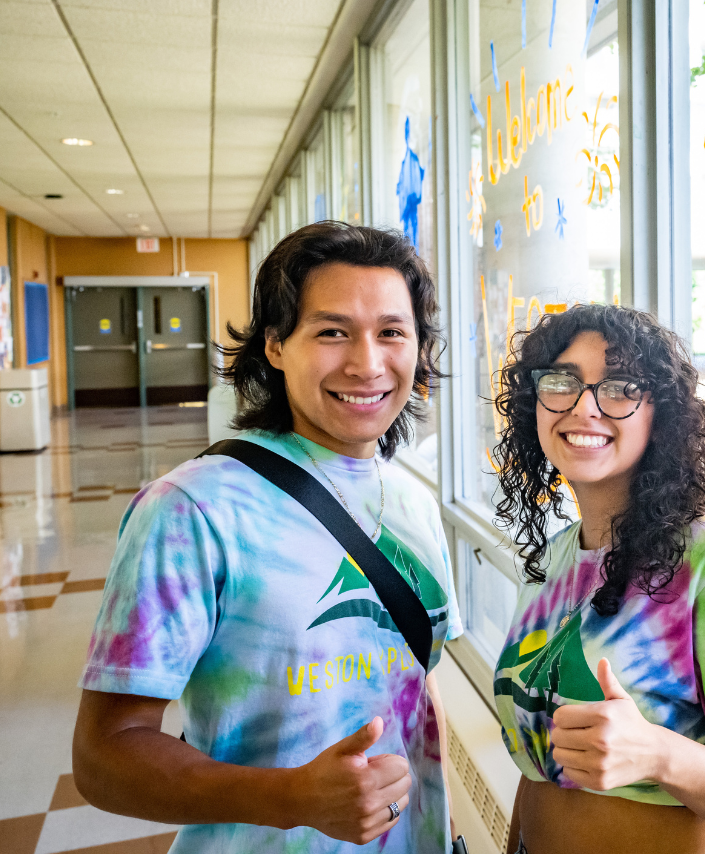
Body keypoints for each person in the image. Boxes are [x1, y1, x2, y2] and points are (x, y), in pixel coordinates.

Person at [71, 222, 463, 852]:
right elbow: (102, 758)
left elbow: (416, 684)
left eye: (392, 332)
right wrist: (291, 799)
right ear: (276, 346)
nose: (367, 363)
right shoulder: (194, 509)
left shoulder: (413, 502)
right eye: (332, 331)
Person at [490, 304, 705, 854]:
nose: (585, 407)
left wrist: (657, 753)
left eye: (620, 387)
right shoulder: (558, 556)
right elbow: (542, 772)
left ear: (661, 414)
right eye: (562, 382)